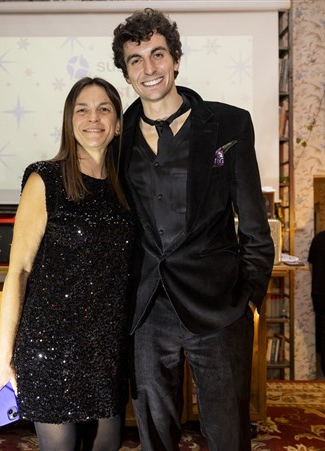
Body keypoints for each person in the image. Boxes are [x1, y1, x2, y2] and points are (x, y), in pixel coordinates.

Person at [112, 8, 275, 451]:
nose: (149, 68)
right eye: (136, 60)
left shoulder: (229, 124)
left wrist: (248, 299)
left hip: (219, 306)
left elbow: (255, 226)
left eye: (158, 54)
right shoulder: (116, 138)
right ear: (126, 74)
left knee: (227, 435)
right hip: (147, 310)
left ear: (176, 60)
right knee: (154, 437)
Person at [0, 77, 135, 451]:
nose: (93, 118)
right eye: (82, 109)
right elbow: (18, 271)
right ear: (69, 120)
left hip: (107, 347)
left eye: (104, 109)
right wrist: (3, 356)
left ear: (118, 123)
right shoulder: (44, 178)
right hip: (51, 345)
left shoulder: (127, 185)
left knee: (107, 445)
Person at [308, 230, 325, 377]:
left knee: (324, 335)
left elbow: (311, 267)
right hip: (320, 293)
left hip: (319, 293)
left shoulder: (318, 239)